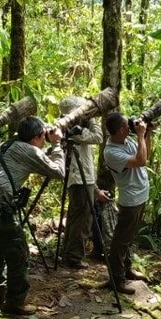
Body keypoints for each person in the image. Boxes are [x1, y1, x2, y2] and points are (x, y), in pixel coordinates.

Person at [0, 116, 65, 315]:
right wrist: (58, 144)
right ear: (36, 137)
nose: (45, 139)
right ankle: (15, 302)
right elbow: (59, 171)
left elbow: (34, 157)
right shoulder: (29, 150)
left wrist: (51, 146)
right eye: (43, 137)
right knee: (18, 250)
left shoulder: (7, 144)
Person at [103, 112, 152, 294]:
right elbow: (141, 161)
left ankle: (126, 269)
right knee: (120, 241)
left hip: (141, 195)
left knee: (129, 238)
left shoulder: (127, 141)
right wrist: (140, 135)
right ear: (121, 130)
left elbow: (145, 155)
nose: (130, 127)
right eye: (127, 126)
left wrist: (147, 134)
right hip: (130, 199)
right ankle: (116, 280)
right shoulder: (111, 152)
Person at [58, 96, 110, 269]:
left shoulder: (74, 129)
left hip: (81, 178)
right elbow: (98, 137)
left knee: (75, 217)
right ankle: (74, 257)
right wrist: (93, 117)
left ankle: (69, 252)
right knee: (82, 219)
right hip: (80, 179)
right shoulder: (74, 131)